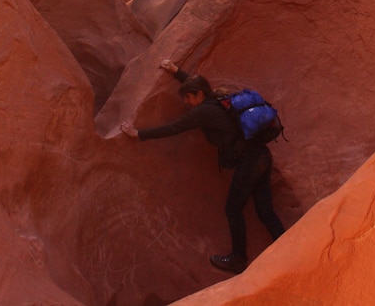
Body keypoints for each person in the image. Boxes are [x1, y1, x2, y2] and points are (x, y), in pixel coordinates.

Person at [120, 59, 286, 274]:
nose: (187, 102)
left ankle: (238, 259)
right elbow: (197, 84)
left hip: (249, 161)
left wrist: (139, 134)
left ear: (199, 95)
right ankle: (288, 247)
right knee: (264, 210)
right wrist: (176, 71)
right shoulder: (215, 98)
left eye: (189, 97)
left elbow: (174, 128)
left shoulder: (203, 112)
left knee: (233, 208)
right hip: (261, 156)